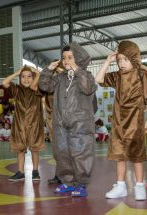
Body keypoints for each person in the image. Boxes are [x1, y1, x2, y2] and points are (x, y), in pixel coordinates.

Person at [95, 40, 147, 200]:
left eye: (125, 59)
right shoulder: (117, 76)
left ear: (134, 59)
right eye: (119, 60)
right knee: (119, 156)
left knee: (137, 156)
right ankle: (121, 185)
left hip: (135, 124)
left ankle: (139, 185)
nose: (121, 63)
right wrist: (108, 62)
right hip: (118, 125)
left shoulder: (141, 75)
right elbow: (98, 79)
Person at [39, 42, 97, 196]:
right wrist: (47, 71)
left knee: (81, 153)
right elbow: (45, 87)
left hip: (81, 124)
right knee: (62, 152)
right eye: (64, 58)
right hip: (60, 123)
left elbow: (87, 88)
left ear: (79, 59)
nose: (66, 61)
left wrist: (77, 71)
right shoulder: (59, 78)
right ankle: (67, 181)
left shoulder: (86, 76)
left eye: (70, 57)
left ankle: (81, 184)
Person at [2, 65, 45, 182]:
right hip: (19, 125)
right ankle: (20, 172)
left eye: (29, 76)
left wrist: (37, 72)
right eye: (23, 77)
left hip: (34, 124)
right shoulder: (17, 90)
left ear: (34, 77)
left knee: (34, 149)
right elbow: (5, 82)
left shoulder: (37, 89)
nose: (26, 79)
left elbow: (35, 84)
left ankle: (35, 171)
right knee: (20, 149)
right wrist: (17, 73)